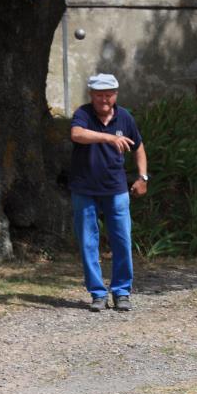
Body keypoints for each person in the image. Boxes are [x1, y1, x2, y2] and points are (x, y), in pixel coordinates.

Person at [69, 73, 148, 312]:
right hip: (85, 188)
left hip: (116, 189)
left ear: (115, 95)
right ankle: (97, 294)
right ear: (91, 96)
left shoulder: (124, 117)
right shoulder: (83, 114)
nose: (104, 100)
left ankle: (122, 292)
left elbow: (139, 146)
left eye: (108, 95)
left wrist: (143, 177)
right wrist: (108, 138)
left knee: (122, 240)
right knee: (88, 242)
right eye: (99, 95)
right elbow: (77, 134)